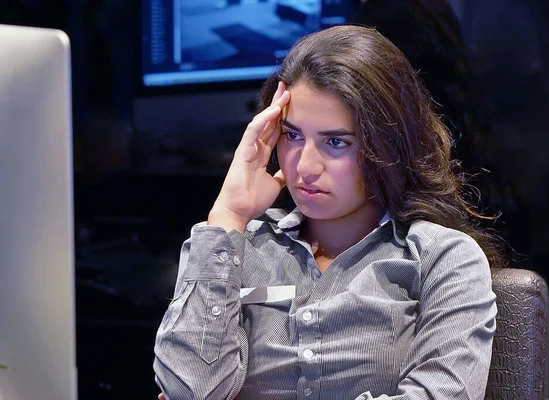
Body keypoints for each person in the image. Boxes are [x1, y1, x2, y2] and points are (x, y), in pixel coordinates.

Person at [153, 24, 499, 400]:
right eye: (293, 135)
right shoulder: (233, 244)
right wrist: (229, 213)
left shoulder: (442, 258)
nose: (305, 166)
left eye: (336, 142)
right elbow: (188, 389)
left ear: (387, 146)